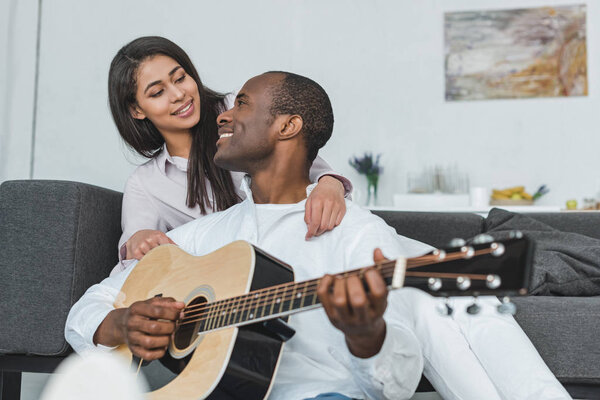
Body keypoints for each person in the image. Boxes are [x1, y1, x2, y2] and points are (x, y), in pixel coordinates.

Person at [66, 72, 571, 400]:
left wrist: (366, 333)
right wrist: (118, 324)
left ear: (287, 127)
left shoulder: (354, 232)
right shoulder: (204, 237)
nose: (222, 112)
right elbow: (94, 302)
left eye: (241, 103)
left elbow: (393, 382)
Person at [108, 36, 352, 268]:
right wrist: (139, 242)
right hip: (229, 288)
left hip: (301, 248)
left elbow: (301, 160)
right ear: (136, 110)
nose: (179, 94)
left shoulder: (237, 111)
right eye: (158, 92)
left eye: (180, 78)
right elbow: (129, 268)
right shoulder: (146, 185)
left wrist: (331, 184)